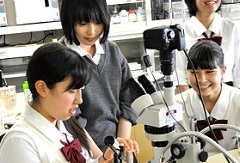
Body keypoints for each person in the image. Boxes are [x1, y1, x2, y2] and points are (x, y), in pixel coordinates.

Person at [0, 43, 139, 163]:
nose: (80, 100)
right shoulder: (19, 142)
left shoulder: (64, 126)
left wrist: (105, 159)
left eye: (81, 90)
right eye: (72, 91)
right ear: (42, 88)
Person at [59, 0, 137, 153]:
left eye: (98, 22)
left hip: (117, 147)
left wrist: (120, 146)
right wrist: (100, 157)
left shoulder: (112, 50)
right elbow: (72, 119)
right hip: (85, 151)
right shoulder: (61, 58)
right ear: (69, 21)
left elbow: (129, 98)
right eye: (83, 23)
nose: (92, 31)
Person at [175, 40, 240, 156]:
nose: (202, 80)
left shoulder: (237, 100)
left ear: (223, 71)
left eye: (209, 72)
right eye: (194, 72)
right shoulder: (177, 105)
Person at [176, 0, 240, 92]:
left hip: (228, 90)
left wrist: (236, 98)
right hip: (195, 90)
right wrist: (188, 100)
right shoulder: (181, 30)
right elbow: (179, 71)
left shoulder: (232, 28)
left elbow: (238, 66)